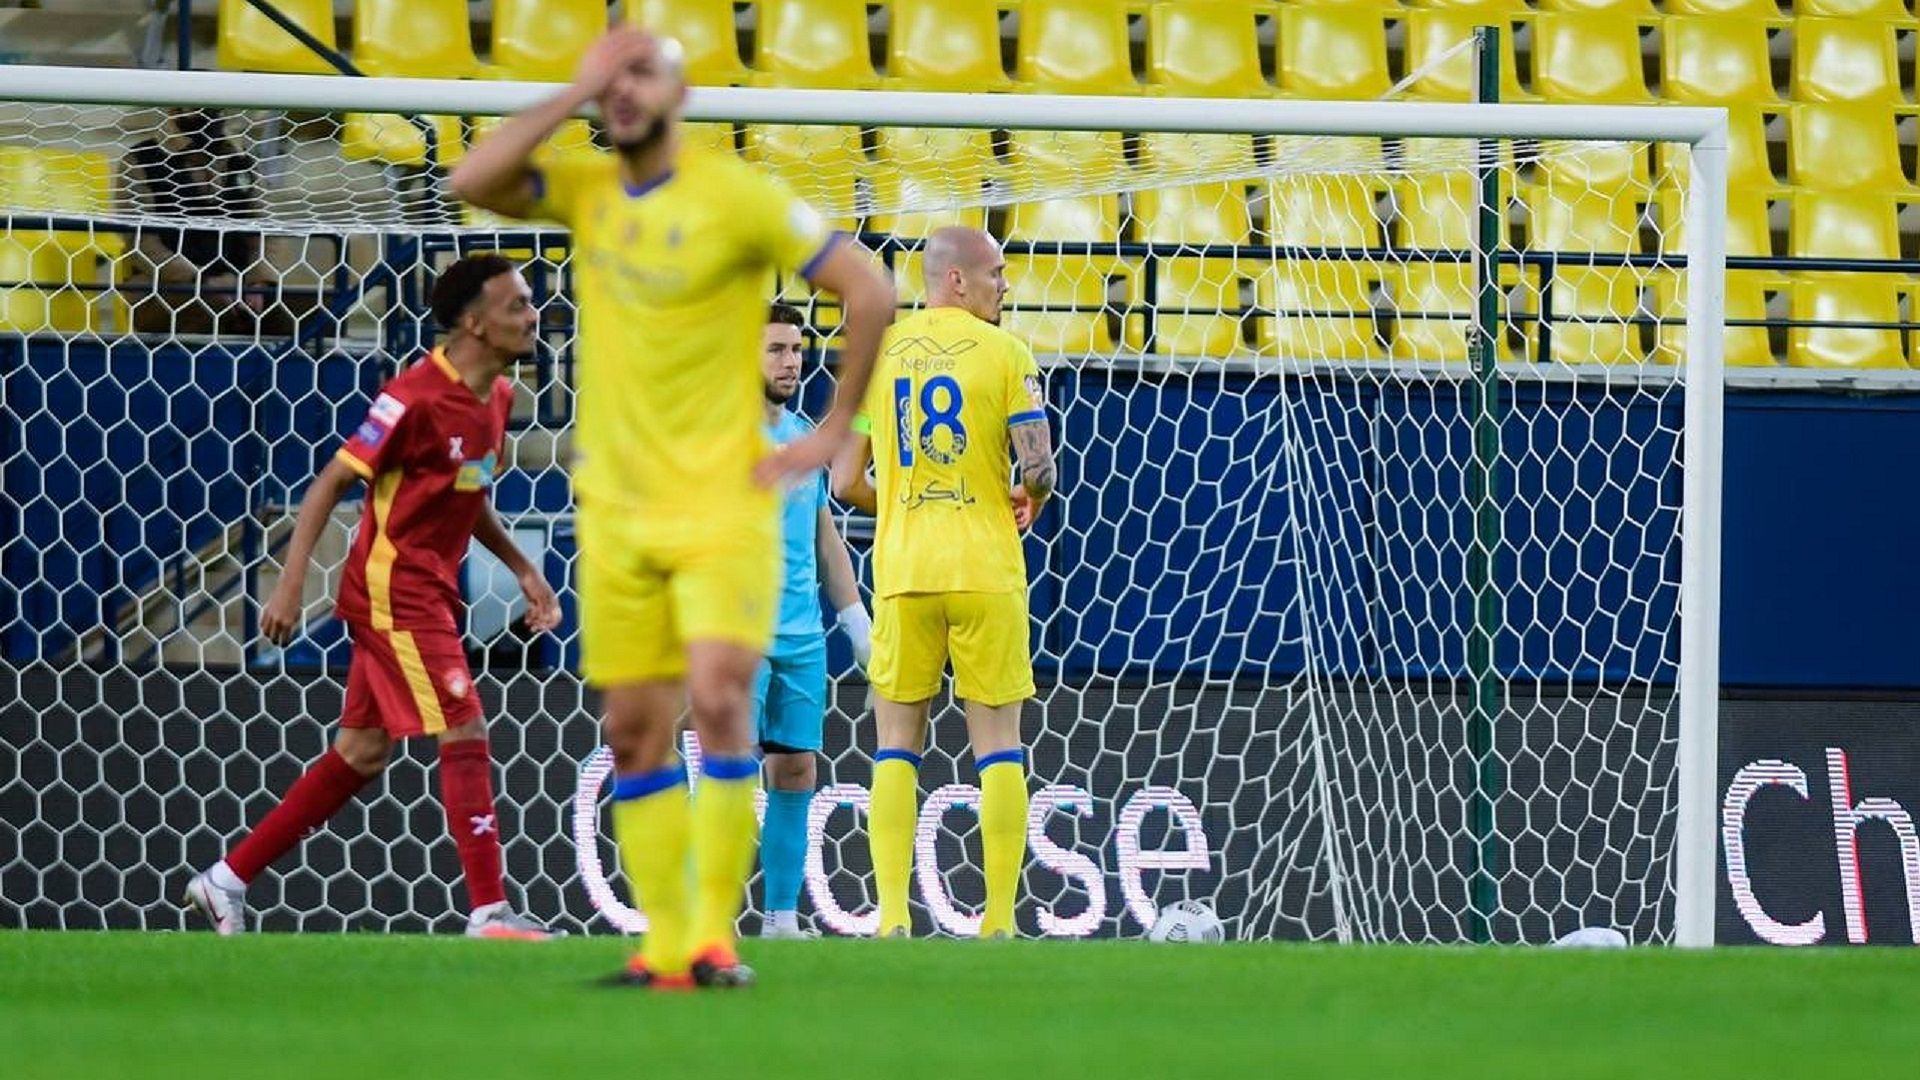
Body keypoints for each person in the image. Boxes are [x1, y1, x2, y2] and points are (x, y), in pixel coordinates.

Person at [449, 27, 894, 987]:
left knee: (724, 699)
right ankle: (661, 948)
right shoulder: (590, 192)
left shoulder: (735, 196)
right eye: (613, 75)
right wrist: (574, 90)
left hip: (722, 500)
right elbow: (471, 178)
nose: (622, 88)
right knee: (634, 733)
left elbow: (868, 286)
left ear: (680, 91)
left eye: (640, 71)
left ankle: (711, 939)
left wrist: (833, 429)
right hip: (616, 507)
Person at [183, 254, 563, 940]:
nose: (534, 316)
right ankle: (489, 911)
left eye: (530, 302)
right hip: (395, 591)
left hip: (430, 590)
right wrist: (292, 587)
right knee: (465, 725)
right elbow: (329, 483)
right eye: (516, 305)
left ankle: (225, 880)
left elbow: (467, 493)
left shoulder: (498, 398)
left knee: (360, 752)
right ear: (473, 323)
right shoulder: (411, 398)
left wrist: (523, 568)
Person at [832, 226, 1056, 940]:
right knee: (999, 746)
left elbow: (843, 480)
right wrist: (1032, 499)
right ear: (956, 279)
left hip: (904, 572)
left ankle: (892, 918)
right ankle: (997, 923)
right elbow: (1040, 468)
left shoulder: (881, 355)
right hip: (986, 570)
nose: (1005, 285)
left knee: (896, 742)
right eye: (995, 273)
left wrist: (896, 501)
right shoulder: (1009, 354)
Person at [754, 302, 872, 939]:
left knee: (797, 769)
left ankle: (780, 917)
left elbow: (825, 535)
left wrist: (855, 619)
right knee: (726, 768)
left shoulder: (803, 435)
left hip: (802, 637)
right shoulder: (723, 437)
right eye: (775, 349)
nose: (791, 360)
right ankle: (702, 916)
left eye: (796, 348)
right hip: (739, 631)